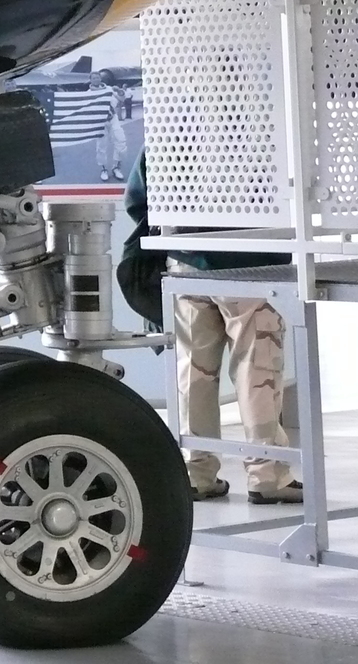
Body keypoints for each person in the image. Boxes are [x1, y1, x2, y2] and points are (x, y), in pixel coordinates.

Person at [123, 154, 303, 504]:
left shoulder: (171, 128)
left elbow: (137, 198)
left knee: (193, 371)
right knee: (257, 369)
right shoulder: (265, 132)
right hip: (254, 262)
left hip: (185, 262)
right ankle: (267, 476)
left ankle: (197, 473)